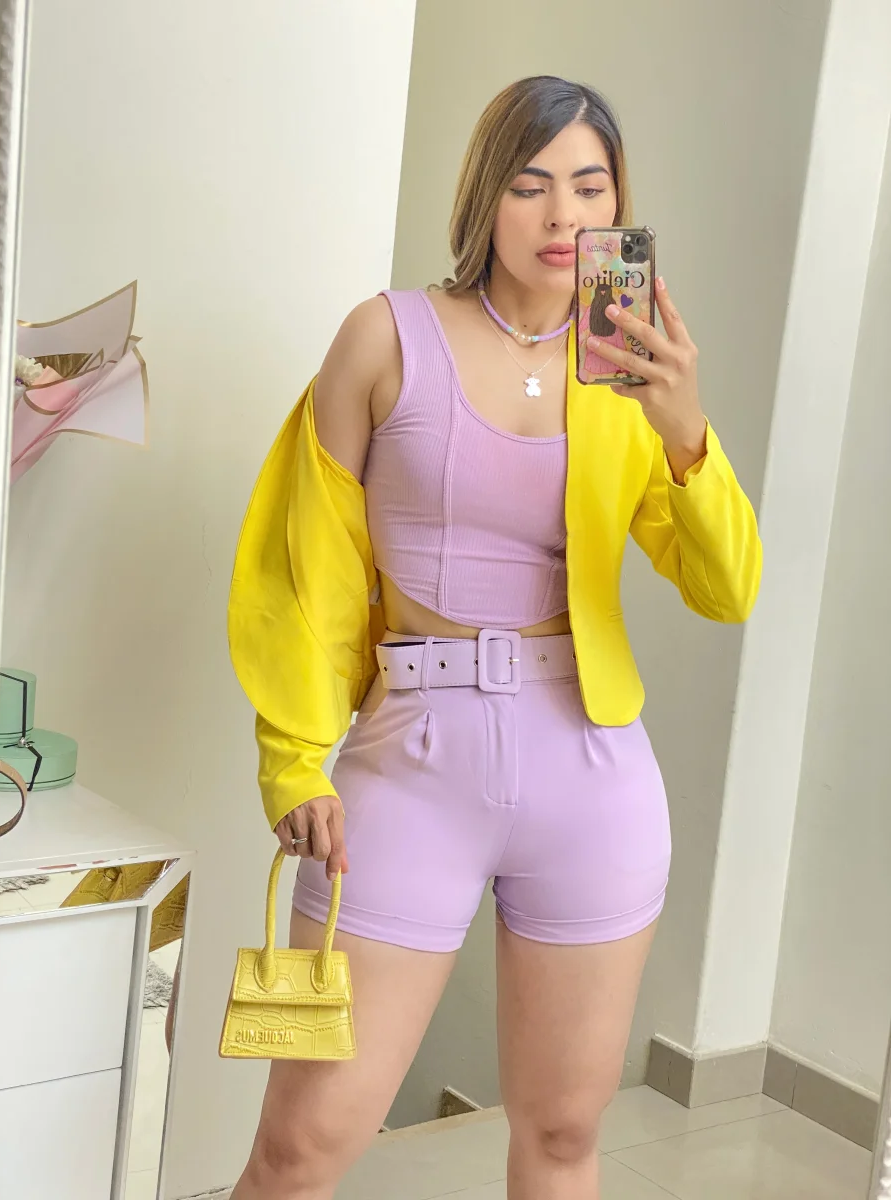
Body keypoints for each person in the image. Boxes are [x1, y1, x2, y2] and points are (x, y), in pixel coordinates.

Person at [227, 75, 761, 1200]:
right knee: (300, 1149)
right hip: (410, 767)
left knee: (564, 1135)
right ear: (485, 195)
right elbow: (307, 570)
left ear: (619, 203)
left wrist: (686, 434)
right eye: (531, 185)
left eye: (590, 186)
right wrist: (293, 759)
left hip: (592, 770)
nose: (564, 215)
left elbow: (726, 590)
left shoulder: (632, 370)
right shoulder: (385, 338)